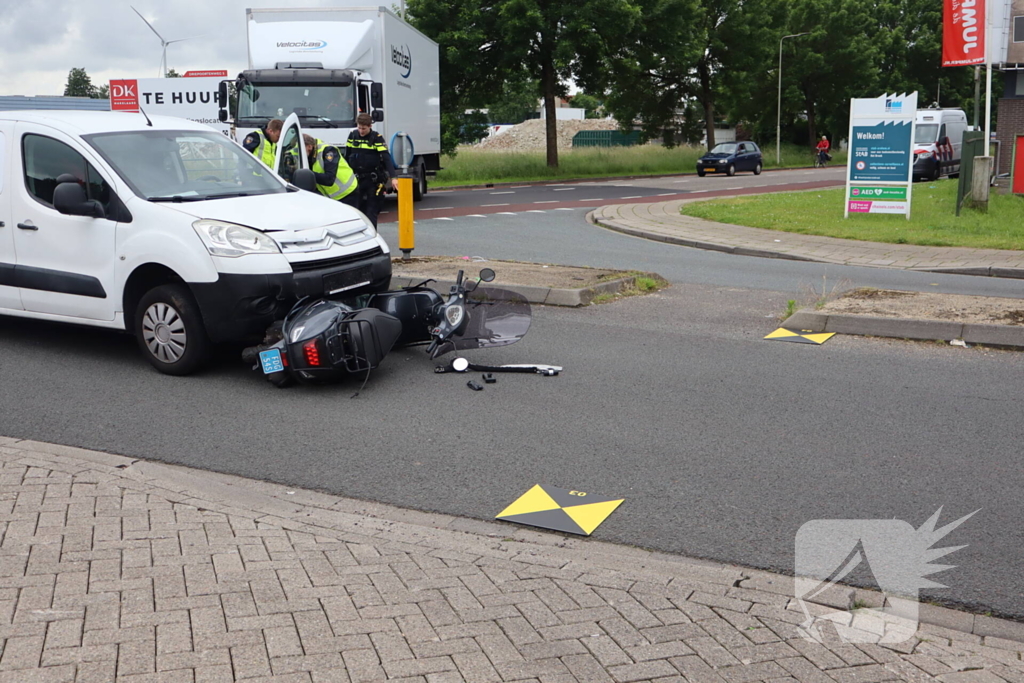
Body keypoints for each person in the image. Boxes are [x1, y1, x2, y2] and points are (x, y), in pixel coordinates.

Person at [344, 112, 397, 227]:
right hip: (356, 179)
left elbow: (387, 158)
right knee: (355, 210)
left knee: (371, 211)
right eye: (359, 128)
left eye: (364, 128)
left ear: (370, 126)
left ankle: (373, 236)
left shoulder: (376, 138)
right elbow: (346, 157)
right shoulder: (352, 136)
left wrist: (393, 177)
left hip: (372, 180)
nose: (361, 131)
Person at [303, 134, 358, 208]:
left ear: (309, 146)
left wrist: (306, 174)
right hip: (332, 197)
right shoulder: (310, 154)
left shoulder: (328, 151)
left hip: (347, 193)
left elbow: (329, 179)